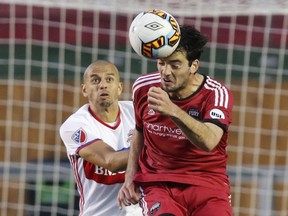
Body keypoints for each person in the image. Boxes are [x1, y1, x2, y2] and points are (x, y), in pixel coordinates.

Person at [118, 25, 234, 216]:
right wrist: (129, 178)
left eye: (175, 65)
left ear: (193, 66)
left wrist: (173, 110)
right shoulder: (143, 87)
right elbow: (139, 131)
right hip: (159, 183)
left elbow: (209, 141)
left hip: (207, 183)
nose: (165, 72)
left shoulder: (217, 93)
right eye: (161, 63)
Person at [59, 60, 142, 216]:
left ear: (119, 88)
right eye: (95, 80)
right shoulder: (75, 125)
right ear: (84, 90)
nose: (103, 85)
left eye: (109, 79)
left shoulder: (137, 113)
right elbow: (110, 161)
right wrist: (156, 146)